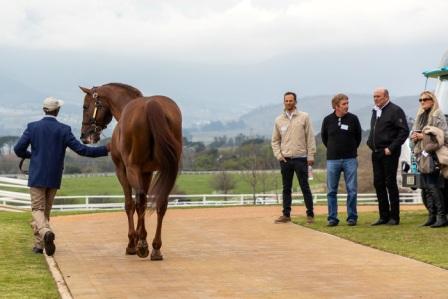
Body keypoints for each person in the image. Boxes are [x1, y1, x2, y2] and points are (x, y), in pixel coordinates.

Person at [14, 97, 110, 256]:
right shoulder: (64, 129)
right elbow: (82, 150)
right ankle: (39, 245)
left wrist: (33, 156)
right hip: (54, 176)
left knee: (37, 209)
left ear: (44, 109)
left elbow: (18, 150)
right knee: (45, 212)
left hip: (37, 174)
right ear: (57, 111)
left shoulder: (32, 127)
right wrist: (105, 149)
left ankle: (44, 233)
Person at [271, 91, 316, 223]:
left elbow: (310, 137)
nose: (289, 103)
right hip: (285, 160)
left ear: (295, 102)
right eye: (286, 101)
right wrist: (279, 155)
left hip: (301, 158)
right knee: (286, 188)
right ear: (284, 102)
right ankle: (286, 214)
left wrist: (310, 155)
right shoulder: (279, 120)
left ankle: (310, 214)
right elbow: (275, 140)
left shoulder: (304, 117)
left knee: (304, 186)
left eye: (291, 101)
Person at [367, 88, 409, 225]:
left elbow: (404, 132)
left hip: (389, 153)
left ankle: (394, 217)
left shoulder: (395, 110)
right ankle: (383, 216)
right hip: (376, 152)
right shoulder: (375, 111)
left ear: (386, 96)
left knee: (390, 183)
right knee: (378, 183)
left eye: (378, 96)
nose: (375, 99)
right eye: (374, 96)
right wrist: (370, 144)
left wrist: (391, 148)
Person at [321, 94, 362, 226]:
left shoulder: (353, 119)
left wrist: (350, 149)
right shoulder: (327, 120)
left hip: (350, 159)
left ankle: (352, 217)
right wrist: (334, 150)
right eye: (344, 104)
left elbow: (358, 137)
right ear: (336, 106)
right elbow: (324, 138)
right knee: (331, 190)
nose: (347, 106)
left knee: (352, 189)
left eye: (347, 103)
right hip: (333, 160)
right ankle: (332, 218)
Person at [410, 91, 448, 227]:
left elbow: (444, 136)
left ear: (432, 100)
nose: (422, 102)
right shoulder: (420, 116)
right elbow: (415, 132)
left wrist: (423, 137)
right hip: (421, 155)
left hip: (434, 155)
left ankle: (441, 217)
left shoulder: (438, 115)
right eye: (420, 100)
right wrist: (414, 137)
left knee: (433, 186)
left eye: (425, 99)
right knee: (426, 187)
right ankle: (431, 216)